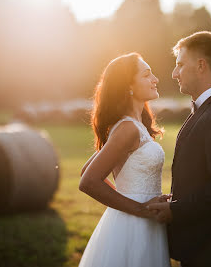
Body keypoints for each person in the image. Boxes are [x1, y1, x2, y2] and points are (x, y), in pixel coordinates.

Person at [147, 31, 211, 267]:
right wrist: (176, 198)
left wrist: (175, 211)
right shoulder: (204, 110)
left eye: (180, 65)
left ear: (201, 66)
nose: (174, 73)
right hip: (199, 246)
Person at [78, 52, 171, 267]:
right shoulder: (127, 128)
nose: (155, 79)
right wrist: (139, 208)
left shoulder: (133, 126)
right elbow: (88, 180)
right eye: (147, 75)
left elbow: (86, 170)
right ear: (128, 85)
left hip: (144, 221)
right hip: (133, 224)